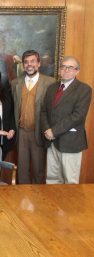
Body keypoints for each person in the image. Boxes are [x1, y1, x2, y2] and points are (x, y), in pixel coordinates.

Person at [41, 56, 92, 184]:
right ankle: (52, 205)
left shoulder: (84, 89)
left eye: (71, 68)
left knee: (71, 182)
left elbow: (78, 116)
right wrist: (48, 130)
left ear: (77, 71)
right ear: (60, 70)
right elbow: (44, 111)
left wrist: (54, 131)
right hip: (52, 142)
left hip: (71, 142)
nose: (67, 70)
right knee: (52, 180)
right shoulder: (52, 88)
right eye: (64, 67)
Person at [11, 50, 56, 184]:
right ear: (23, 64)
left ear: (39, 63)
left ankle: (38, 201)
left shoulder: (50, 83)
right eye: (26, 62)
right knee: (22, 170)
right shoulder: (15, 83)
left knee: (39, 170)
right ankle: (22, 200)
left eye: (32, 61)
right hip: (22, 132)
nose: (29, 65)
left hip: (40, 132)